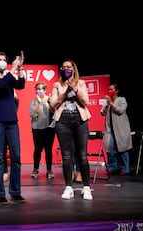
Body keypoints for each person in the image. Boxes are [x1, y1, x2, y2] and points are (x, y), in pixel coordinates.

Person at [49, 59, 93, 200]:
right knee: (67, 156)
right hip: (63, 121)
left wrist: (74, 89)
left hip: (80, 120)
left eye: (69, 67)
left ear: (74, 69)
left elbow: (85, 101)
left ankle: (86, 187)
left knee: (82, 156)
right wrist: (65, 91)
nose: (67, 69)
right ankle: (68, 187)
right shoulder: (57, 85)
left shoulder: (81, 83)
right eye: (64, 67)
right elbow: (54, 104)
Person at [0, 51, 26, 204]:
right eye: (0, 60)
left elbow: (21, 85)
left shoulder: (10, 78)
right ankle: (0, 193)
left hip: (11, 121)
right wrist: (13, 67)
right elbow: (1, 86)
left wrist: (20, 68)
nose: (3, 62)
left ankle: (15, 191)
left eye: (5, 60)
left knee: (16, 157)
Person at [100, 83, 133, 176]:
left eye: (112, 89)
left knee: (122, 148)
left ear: (116, 91)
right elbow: (102, 113)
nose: (110, 91)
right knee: (109, 148)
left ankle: (125, 168)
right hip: (110, 129)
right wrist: (107, 105)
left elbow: (120, 110)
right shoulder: (107, 102)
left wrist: (111, 103)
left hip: (121, 129)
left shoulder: (121, 99)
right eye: (109, 89)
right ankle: (113, 167)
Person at [29, 82, 56, 180]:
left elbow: (54, 112)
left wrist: (49, 102)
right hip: (37, 128)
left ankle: (49, 170)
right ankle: (35, 169)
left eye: (41, 89)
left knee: (48, 149)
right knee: (37, 149)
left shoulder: (50, 99)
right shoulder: (33, 101)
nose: (39, 91)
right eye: (37, 89)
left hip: (49, 128)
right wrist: (38, 104)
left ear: (45, 90)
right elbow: (32, 115)